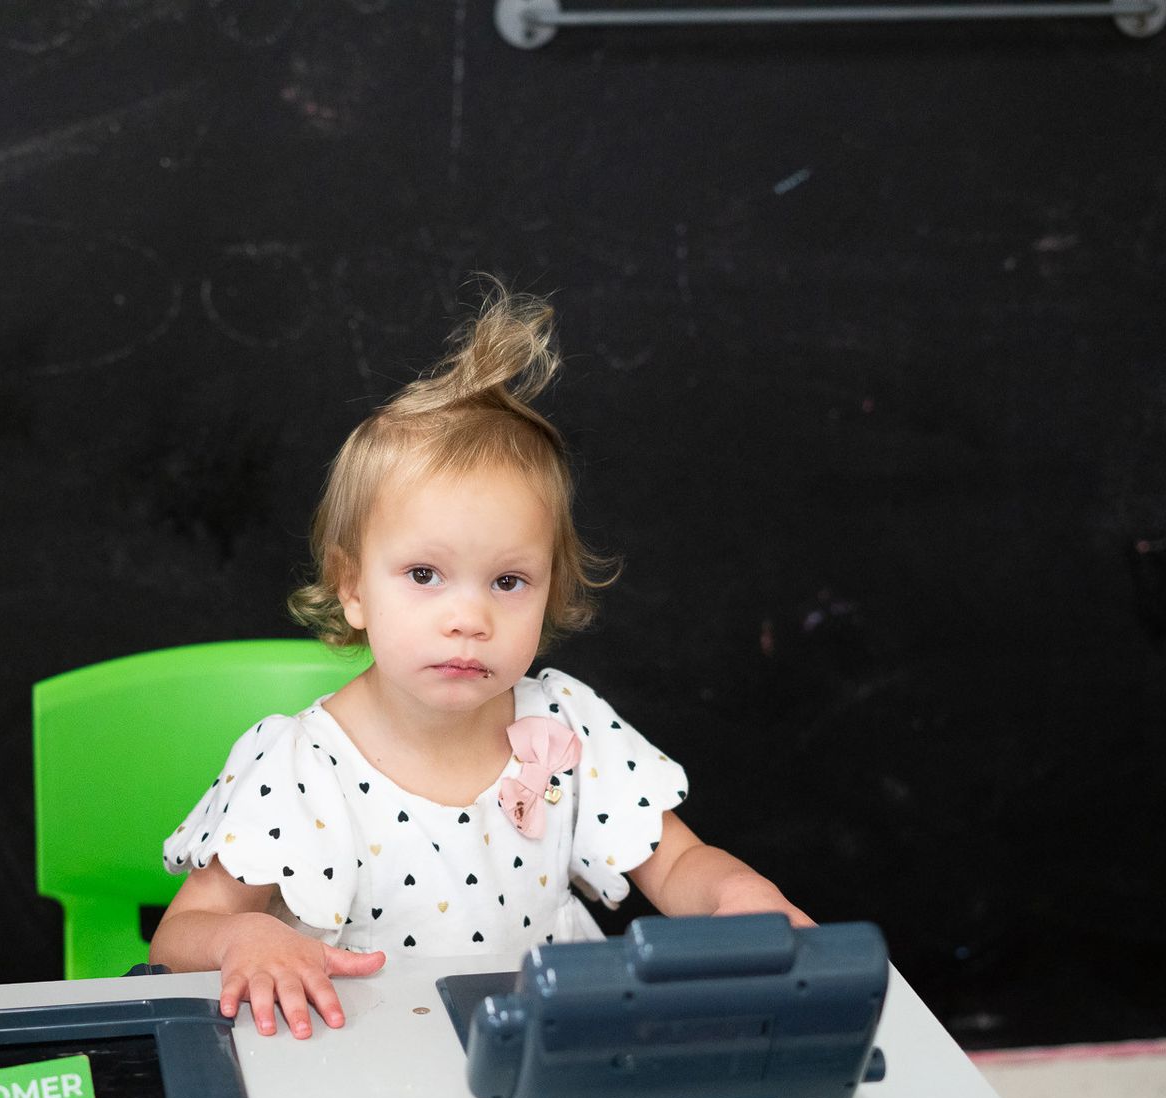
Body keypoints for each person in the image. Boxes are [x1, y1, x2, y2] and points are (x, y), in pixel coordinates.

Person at [150, 282, 811, 1038]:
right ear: (352, 587)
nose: (470, 618)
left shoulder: (566, 724)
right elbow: (177, 938)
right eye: (424, 575)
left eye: (508, 581)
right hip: (363, 1069)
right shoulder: (300, 763)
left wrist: (734, 893)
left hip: (554, 1050)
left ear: (549, 591)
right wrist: (244, 936)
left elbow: (677, 864)